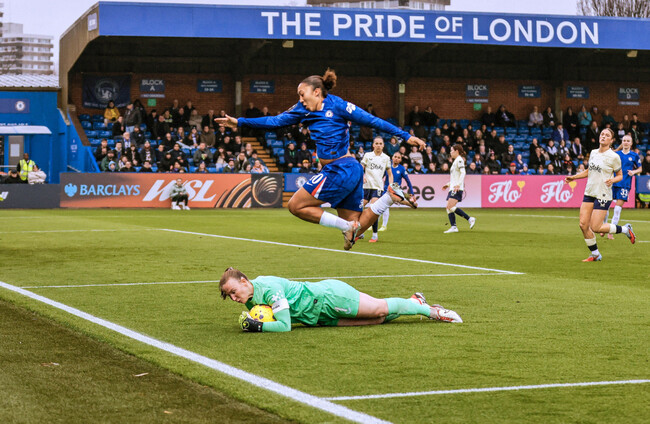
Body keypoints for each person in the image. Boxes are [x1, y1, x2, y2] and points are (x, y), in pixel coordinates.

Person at [215, 69, 424, 250]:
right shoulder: (302, 110)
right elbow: (274, 121)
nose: (300, 99)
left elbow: (372, 120)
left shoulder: (339, 106)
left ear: (316, 92)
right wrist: (239, 122)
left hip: (339, 169)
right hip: (350, 170)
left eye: (302, 94)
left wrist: (406, 136)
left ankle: (346, 227)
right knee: (357, 228)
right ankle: (388, 198)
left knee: (295, 205)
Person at [219, 267, 462, 333]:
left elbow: (284, 326)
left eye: (233, 291)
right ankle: (413, 301)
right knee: (377, 320)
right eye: (229, 296)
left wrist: (257, 326)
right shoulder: (250, 299)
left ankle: (432, 311)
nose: (234, 298)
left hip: (329, 298)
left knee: (380, 307)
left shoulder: (270, 289)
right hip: (319, 318)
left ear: (244, 281)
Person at [564, 129, 635, 262]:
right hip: (590, 192)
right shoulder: (593, 153)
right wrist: (574, 177)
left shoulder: (614, 157)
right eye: (602, 134)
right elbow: (589, 171)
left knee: (596, 227)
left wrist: (612, 180)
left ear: (611, 140)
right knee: (583, 224)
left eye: (607, 135)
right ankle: (595, 254)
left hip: (603, 194)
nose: (603, 136)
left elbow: (620, 176)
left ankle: (625, 229)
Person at [606, 135, 642, 239]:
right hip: (613, 182)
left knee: (617, 209)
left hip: (625, 184)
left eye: (628, 141)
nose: (626, 142)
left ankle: (611, 232)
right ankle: (603, 226)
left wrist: (633, 172)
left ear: (631, 143)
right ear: (622, 142)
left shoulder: (634, 155)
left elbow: (640, 169)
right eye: (624, 140)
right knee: (605, 206)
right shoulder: (616, 154)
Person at [361, 136, 393, 243]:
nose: (378, 145)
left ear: (383, 145)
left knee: (373, 209)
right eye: (376, 143)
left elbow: (390, 174)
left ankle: (374, 235)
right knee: (359, 208)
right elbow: (361, 168)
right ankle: (360, 231)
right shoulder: (367, 155)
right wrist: (362, 176)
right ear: (373, 145)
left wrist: (391, 185)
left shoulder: (386, 158)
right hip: (366, 187)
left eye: (380, 143)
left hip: (377, 187)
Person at [442, 144, 476, 233]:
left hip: (456, 188)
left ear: (456, 151)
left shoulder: (459, 160)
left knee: (450, 206)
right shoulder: (456, 161)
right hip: (453, 187)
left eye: (451, 150)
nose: (450, 152)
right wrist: (448, 184)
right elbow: (455, 177)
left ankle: (470, 219)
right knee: (448, 207)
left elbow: (463, 173)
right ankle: (454, 227)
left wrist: (458, 185)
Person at [379, 151, 414, 232]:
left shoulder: (402, 169)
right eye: (395, 157)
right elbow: (380, 177)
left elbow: (408, 181)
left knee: (384, 206)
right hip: (385, 190)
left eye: (398, 157)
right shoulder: (387, 167)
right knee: (380, 206)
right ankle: (375, 224)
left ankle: (383, 226)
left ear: (400, 160)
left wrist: (412, 192)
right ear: (392, 157)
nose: (396, 159)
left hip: (395, 191)